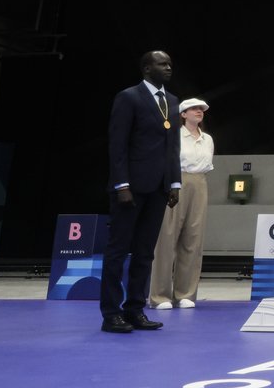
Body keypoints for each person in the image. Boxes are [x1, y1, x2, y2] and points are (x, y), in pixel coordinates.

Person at [100, 50, 181, 334]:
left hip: (159, 188)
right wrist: (121, 184)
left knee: (145, 252)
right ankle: (111, 313)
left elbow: (173, 147)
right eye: (162, 63)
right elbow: (117, 144)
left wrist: (174, 183)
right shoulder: (129, 97)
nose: (168, 67)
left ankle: (134, 309)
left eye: (170, 63)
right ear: (147, 68)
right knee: (118, 251)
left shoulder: (171, 101)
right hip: (130, 188)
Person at [149, 98, 214, 310]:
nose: (199, 111)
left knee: (193, 238)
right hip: (177, 180)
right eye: (194, 109)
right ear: (183, 114)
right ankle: (160, 295)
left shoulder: (207, 139)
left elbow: (205, 166)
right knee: (167, 237)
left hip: (200, 182)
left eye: (201, 109)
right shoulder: (175, 135)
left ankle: (185, 293)